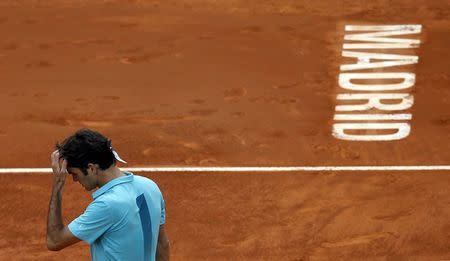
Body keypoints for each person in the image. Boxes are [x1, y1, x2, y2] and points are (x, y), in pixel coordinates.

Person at [46, 128, 170, 261]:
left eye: (75, 174)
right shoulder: (150, 186)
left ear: (92, 168)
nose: (75, 180)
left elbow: (55, 240)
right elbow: (162, 244)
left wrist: (58, 185)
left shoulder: (107, 205)